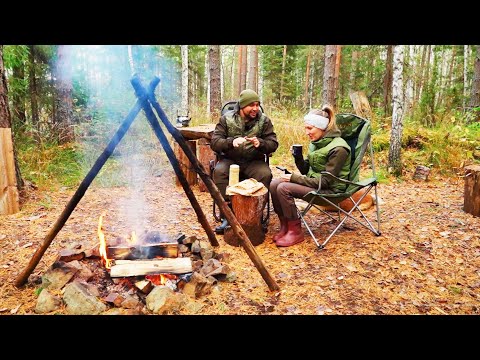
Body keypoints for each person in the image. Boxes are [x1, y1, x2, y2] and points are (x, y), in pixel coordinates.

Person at [269, 105, 351, 247]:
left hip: (331, 191)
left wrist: (293, 178)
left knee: (283, 187)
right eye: (306, 128)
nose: (307, 132)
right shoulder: (318, 143)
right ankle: (285, 226)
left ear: (321, 127)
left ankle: (295, 232)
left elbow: (325, 181)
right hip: (318, 185)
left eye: (310, 128)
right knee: (274, 183)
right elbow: (306, 171)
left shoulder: (339, 148)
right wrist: (298, 157)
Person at [210, 89, 279, 234]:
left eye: (257, 105)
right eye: (251, 105)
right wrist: (230, 142)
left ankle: (255, 216)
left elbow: (273, 143)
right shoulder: (226, 119)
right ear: (242, 106)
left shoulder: (264, 121)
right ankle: (228, 216)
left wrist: (260, 143)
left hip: (254, 161)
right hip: (230, 160)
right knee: (219, 172)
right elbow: (215, 142)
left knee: (265, 174)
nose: (255, 108)